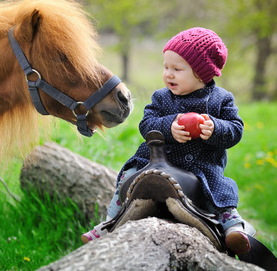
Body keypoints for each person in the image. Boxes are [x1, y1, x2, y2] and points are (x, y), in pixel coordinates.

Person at [81, 27, 254, 256]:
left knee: (219, 190)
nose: (168, 74)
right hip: (156, 160)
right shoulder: (161, 97)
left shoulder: (221, 100)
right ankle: (110, 221)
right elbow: (146, 124)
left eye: (177, 69)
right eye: (166, 67)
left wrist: (214, 128)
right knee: (128, 175)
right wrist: (169, 127)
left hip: (202, 165)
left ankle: (233, 227)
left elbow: (235, 129)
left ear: (202, 74)